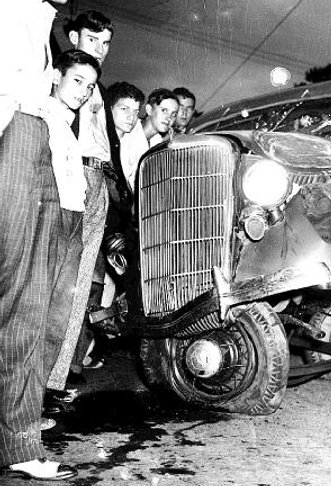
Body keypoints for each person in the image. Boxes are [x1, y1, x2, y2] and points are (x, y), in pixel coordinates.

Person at [0, 2, 79, 480]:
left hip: (34, 142)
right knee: (18, 302)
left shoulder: (39, 18)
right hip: (15, 139)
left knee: (29, 306)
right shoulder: (11, 13)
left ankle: (18, 441)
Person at [45, 10, 116, 392]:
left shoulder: (95, 87)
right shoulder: (59, 79)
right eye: (92, 40)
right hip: (74, 175)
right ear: (73, 38)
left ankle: (56, 378)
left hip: (98, 180)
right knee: (60, 280)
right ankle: (40, 379)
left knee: (81, 284)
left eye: (106, 44)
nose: (100, 49)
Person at [109, 82, 147, 195]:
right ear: (109, 108)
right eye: (124, 109)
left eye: (136, 112)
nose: (131, 117)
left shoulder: (134, 142)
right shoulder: (99, 143)